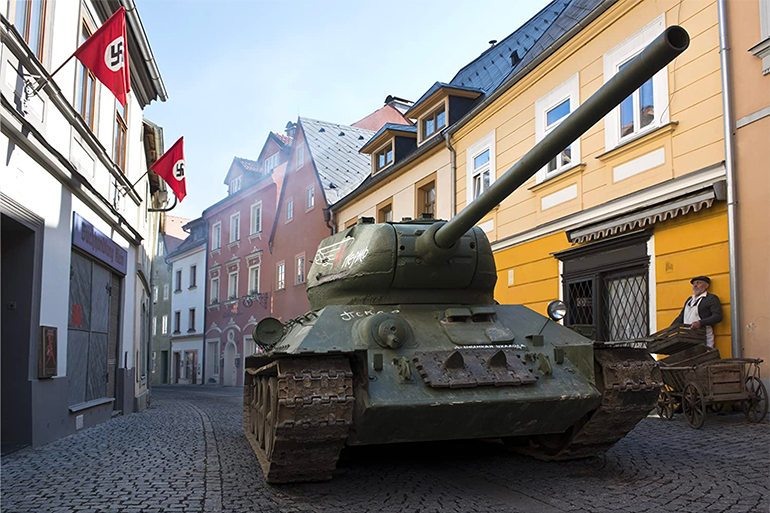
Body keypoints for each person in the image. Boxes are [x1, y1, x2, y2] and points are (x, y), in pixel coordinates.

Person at [670, 275, 723, 347]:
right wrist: (671, 329)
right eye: (694, 284)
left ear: (706, 285)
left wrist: (700, 323)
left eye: (698, 283)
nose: (695, 285)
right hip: (687, 336)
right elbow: (681, 316)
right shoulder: (689, 300)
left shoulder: (711, 299)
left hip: (703, 336)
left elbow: (718, 316)